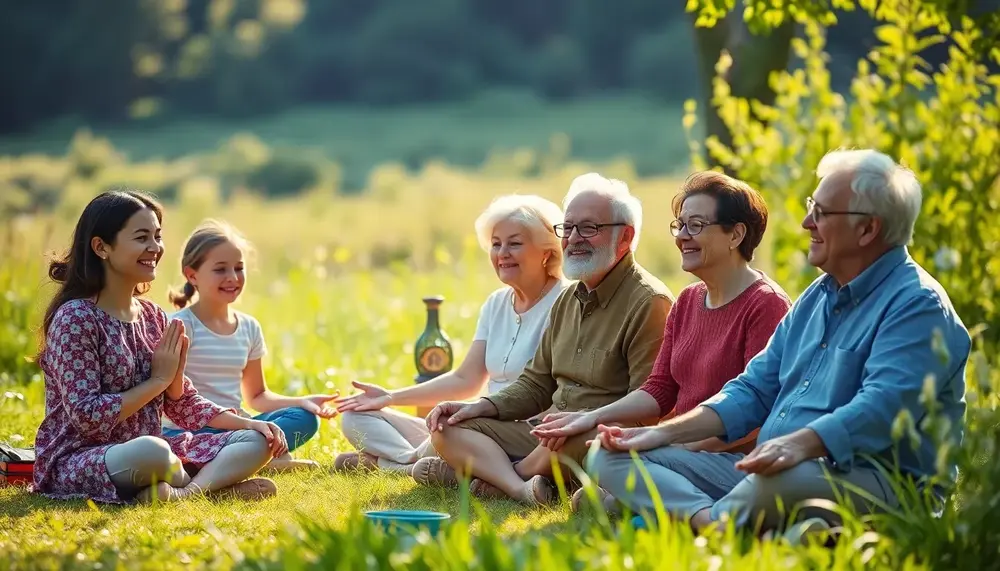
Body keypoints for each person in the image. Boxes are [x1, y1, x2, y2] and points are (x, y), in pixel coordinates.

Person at [590, 149, 971, 535]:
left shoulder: (917, 306)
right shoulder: (816, 297)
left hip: (872, 481)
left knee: (777, 481)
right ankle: (721, 523)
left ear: (867, 229)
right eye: (812, 207)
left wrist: (800, 446)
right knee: (608, 455)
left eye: (821, 213)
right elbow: (753, 389)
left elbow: (882, 408)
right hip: (772, 471)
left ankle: (721, 525)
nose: (807, 223)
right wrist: (660, 433)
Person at [530, 171, 791, 512]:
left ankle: (700, 512)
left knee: (603, 482)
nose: (682, 236)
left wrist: (675, 447)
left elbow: (761, 414)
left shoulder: (765, 305)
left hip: (733, 460)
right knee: (595, 486)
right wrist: (591, 417)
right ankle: (664, 505)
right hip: (679, 448)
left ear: (736, 234)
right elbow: (659, 390)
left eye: (695, 225)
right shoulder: (687, 300)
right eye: (679, 225)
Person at [423, 173, 675, 505]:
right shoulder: (568, 299)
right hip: (544, 432)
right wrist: (481, 406)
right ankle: (521, 487)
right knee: (448, 427)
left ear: (625, 237)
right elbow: (536, 384)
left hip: (593, 434)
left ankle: (495, 475)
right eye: (567, 228)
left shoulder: (649, 302)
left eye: (588, 228)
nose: (573, 238)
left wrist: (582, 420)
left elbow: (647, 408)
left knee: (584, 438)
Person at [32, 190, 288, 505]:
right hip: (82, 459)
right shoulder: (76, 318)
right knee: (152, 452)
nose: (155, 248)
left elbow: (183, 404)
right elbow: (88, 417)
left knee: (256, 440)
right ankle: (209, 486)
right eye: (142, 238)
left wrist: (250, 423)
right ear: (101, 247)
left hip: (156, 452)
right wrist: (157, 381)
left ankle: (184, 494)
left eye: (157, 236)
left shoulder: (153, 316)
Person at [332, 194, 571, 477]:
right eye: (496, 244)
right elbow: (465, 380)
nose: (502, 253)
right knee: (355, 416)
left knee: (450, 428)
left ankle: (392, 465)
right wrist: (388, 397)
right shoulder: (496, 303)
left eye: (514, 243)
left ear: (547, 252)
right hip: (477, 421)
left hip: (521, 431)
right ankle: (411, 464)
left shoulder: (565, 302)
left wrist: (475, 414)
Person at [162, 220, 338, 472]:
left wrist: (302, 401)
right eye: (220, 269)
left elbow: (257, 396)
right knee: (218, 436)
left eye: (239, 268)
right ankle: (254, 459)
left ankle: (246, 457)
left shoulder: (249, 327)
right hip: (191, 429)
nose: (232, 278)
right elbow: (172, 396)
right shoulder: (180, 325)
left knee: (304, 419)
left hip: (238, 426)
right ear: (192, 275)